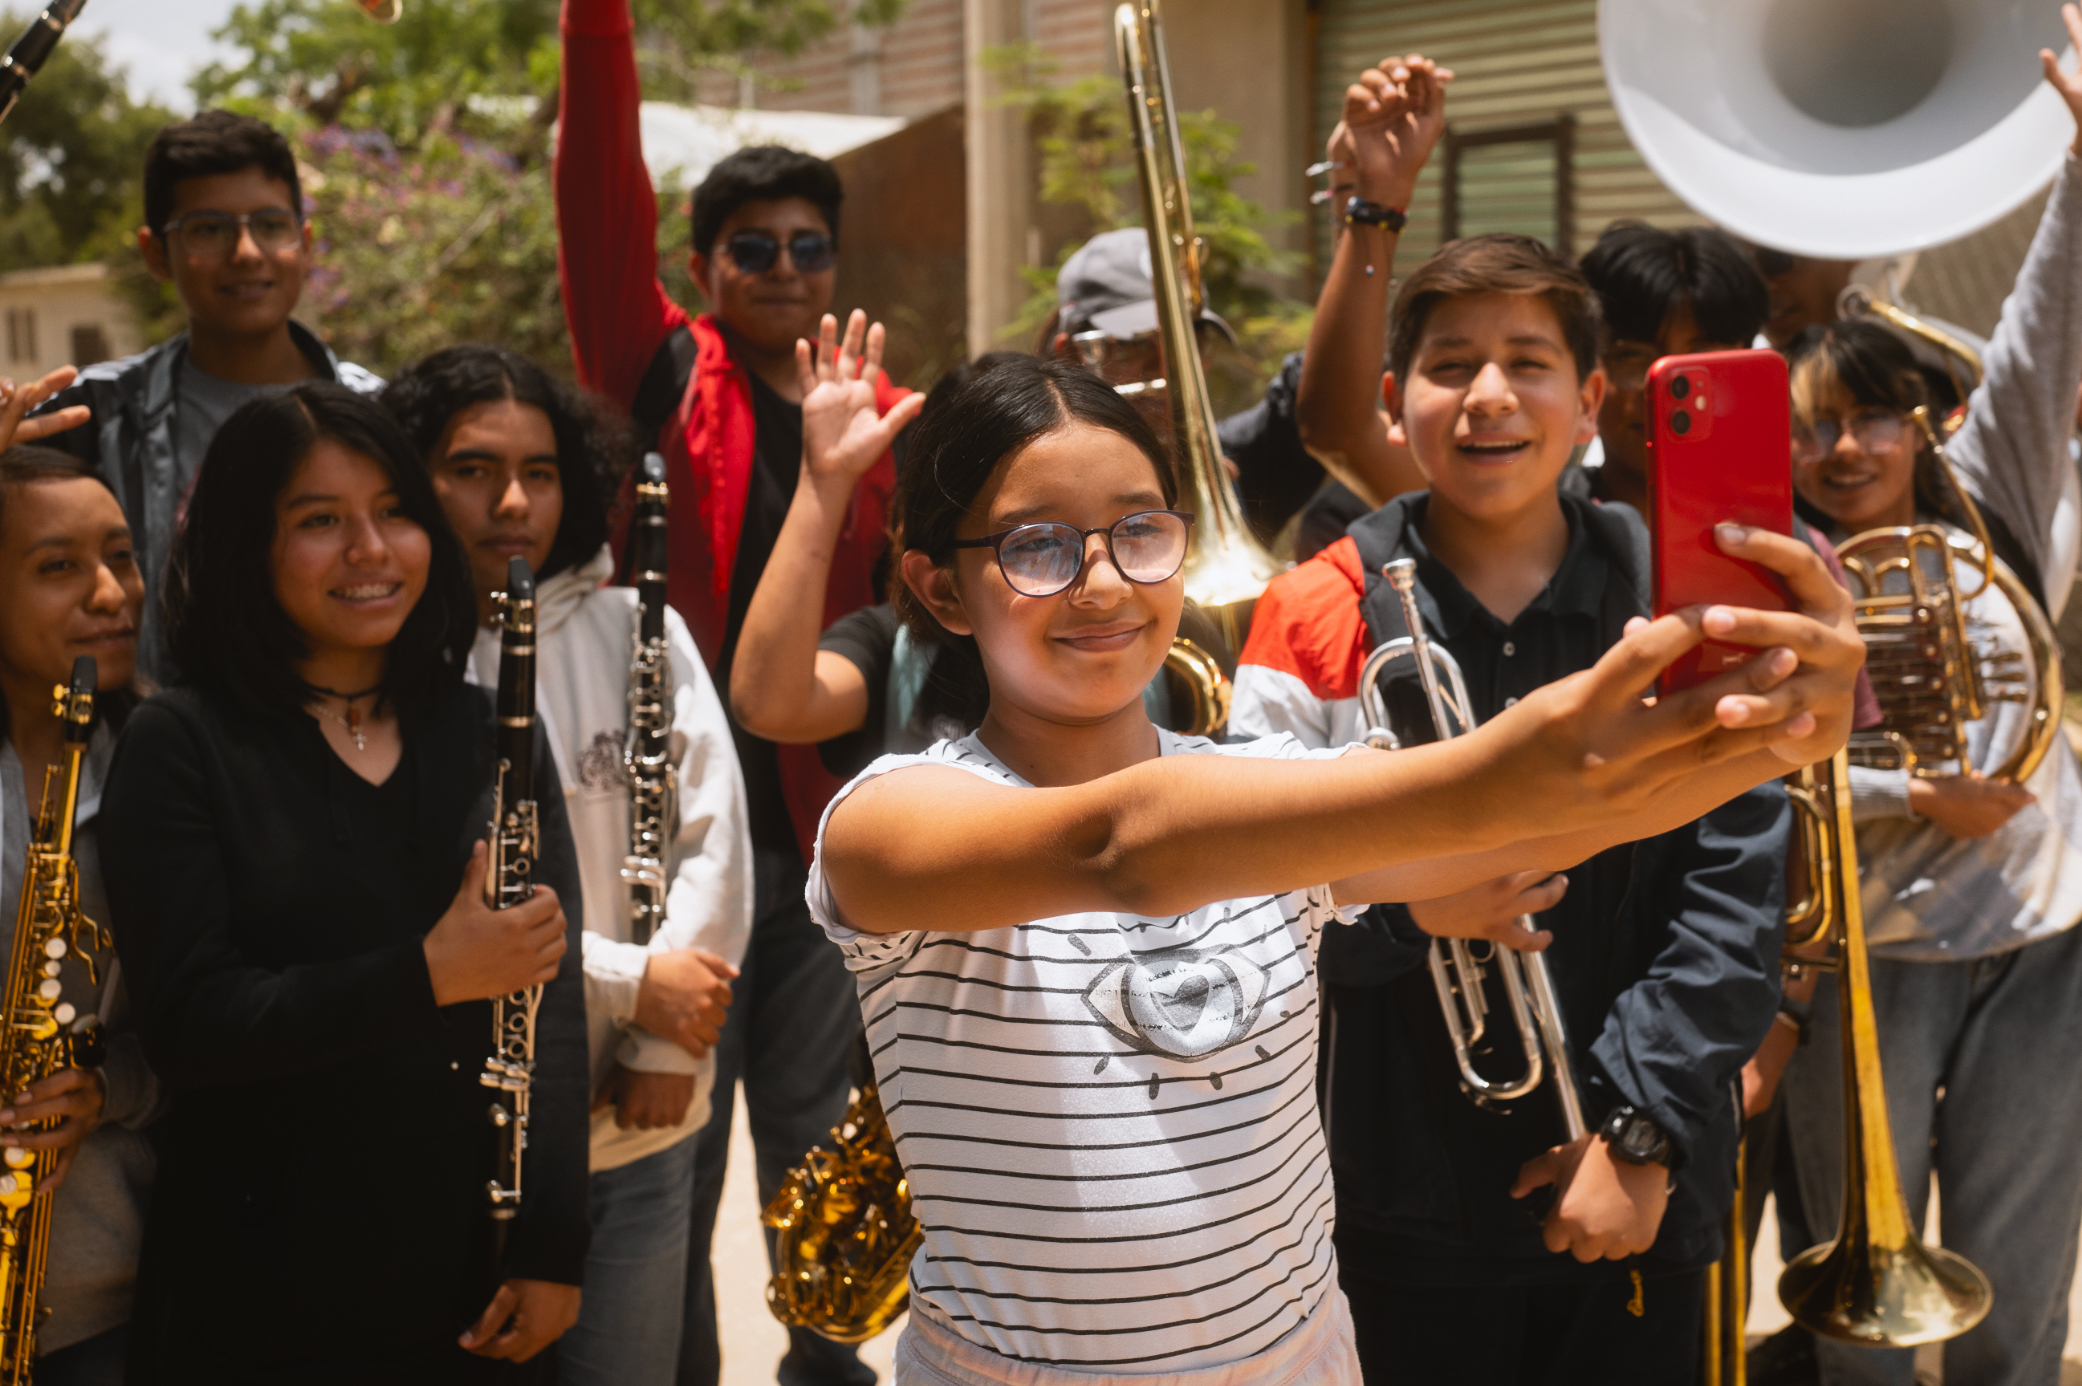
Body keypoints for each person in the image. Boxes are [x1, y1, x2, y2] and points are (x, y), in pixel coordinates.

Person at [807, 336, 1858, 1383]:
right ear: (942, 591)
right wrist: (1505, 762)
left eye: (1139, 530)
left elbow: (1542, 831)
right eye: (1037, 546)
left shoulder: (1268, 787)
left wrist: (1758, 733)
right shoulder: (891, 823)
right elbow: (1123, 844)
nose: (1103, 582)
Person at [1228, 61, 1789, 1383]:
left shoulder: (1686, 601)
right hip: (1391, 1190)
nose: (1485, 393)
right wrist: (1400, 908)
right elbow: (1246, 881)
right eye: (1446, 365)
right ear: (1394, 402)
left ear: (1592, 404)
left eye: (1527, 363)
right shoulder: (1313, 604)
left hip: (1633, 1189)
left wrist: (1642, 1132)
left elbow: (1737, 881)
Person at [555, 2, 917, 1377]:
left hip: (829, 837)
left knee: (823, 1140)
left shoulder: (880, 412)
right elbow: (598, 199)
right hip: (682, 840)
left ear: (835, 264)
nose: (780, 267)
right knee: (669, 1148)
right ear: (704, 266)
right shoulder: (658, 374)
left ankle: (825, 1369)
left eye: (806, 247)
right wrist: (601, 25)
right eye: (749, 248)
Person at [97, 384, 589, 1381]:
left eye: (393, 510)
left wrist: (550, 1246)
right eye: (320, 521)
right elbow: (191, 1028)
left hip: (469, 1286)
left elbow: (552, 1010)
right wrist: (427, 974)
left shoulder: (487, 729)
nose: (371, 548)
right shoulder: (180, 744)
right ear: (246, 544)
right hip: (260, 1293)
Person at [1773, 26, 2082, 1376]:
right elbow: (1750, 760)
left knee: (2022, 1277)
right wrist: (1914, 793)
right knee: (1859, 1314)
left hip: (2041, 932)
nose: (1840, 448)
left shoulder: (1993, 490)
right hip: (1868, 945)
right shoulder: (1763, 559)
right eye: (1808, 425)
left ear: (1924, 423)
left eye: (1869, 419)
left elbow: (2040, 320)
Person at [387, 344, 755, 1386]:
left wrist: (664, 1048)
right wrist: (635, 982)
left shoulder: (637, 623)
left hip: (633, 1109)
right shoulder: (391, 654)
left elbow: (713, 840)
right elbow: (443, 907)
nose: (512, 502)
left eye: (539, 473)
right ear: (413, 473)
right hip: (474, 1133)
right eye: (472, 469)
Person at [33, 110, 382, 682]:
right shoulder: (85, 416)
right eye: (208, 229)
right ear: (154, 254)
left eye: (271, 225)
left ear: (307, 243)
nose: (246, 252)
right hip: (149, 753)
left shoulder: (382, 414)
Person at [0, 375, 158, 1386]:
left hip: (117, 1297)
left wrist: (111, 1088)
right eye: (59, 567)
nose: (110, 594)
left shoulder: (171, 763)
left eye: (120, 557)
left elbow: (232, 1023)